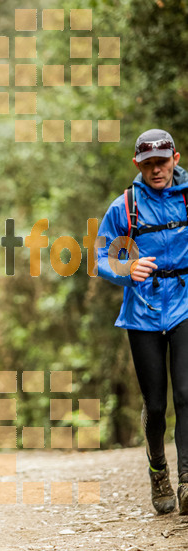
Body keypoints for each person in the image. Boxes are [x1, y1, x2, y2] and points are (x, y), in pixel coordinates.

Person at [97, 128, 188, 515]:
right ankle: (158, 469)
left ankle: (186, 482)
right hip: (143, 313)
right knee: (155, 402)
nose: (156, 170)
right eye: (148, 164)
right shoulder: (125, 206)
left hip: (185, 304)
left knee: (185, 394)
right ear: (138, 164)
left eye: (162, 162)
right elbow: (103, 255)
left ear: (176, 159)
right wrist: (127, 267)